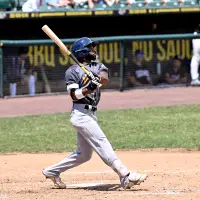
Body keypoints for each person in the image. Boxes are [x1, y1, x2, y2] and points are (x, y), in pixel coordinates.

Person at [42, 37, 148, 190]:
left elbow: (104, 79)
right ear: (83, 53)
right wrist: (89, 88)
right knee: (102, 142)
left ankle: (51, 171)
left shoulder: (98, 66)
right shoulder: (71, 72)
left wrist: (96, 78)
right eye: (91, 48)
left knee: (84, 155)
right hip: (80, 115)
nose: (94, 50)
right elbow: (74, 95)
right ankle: (125, 176)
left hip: (91, 114)